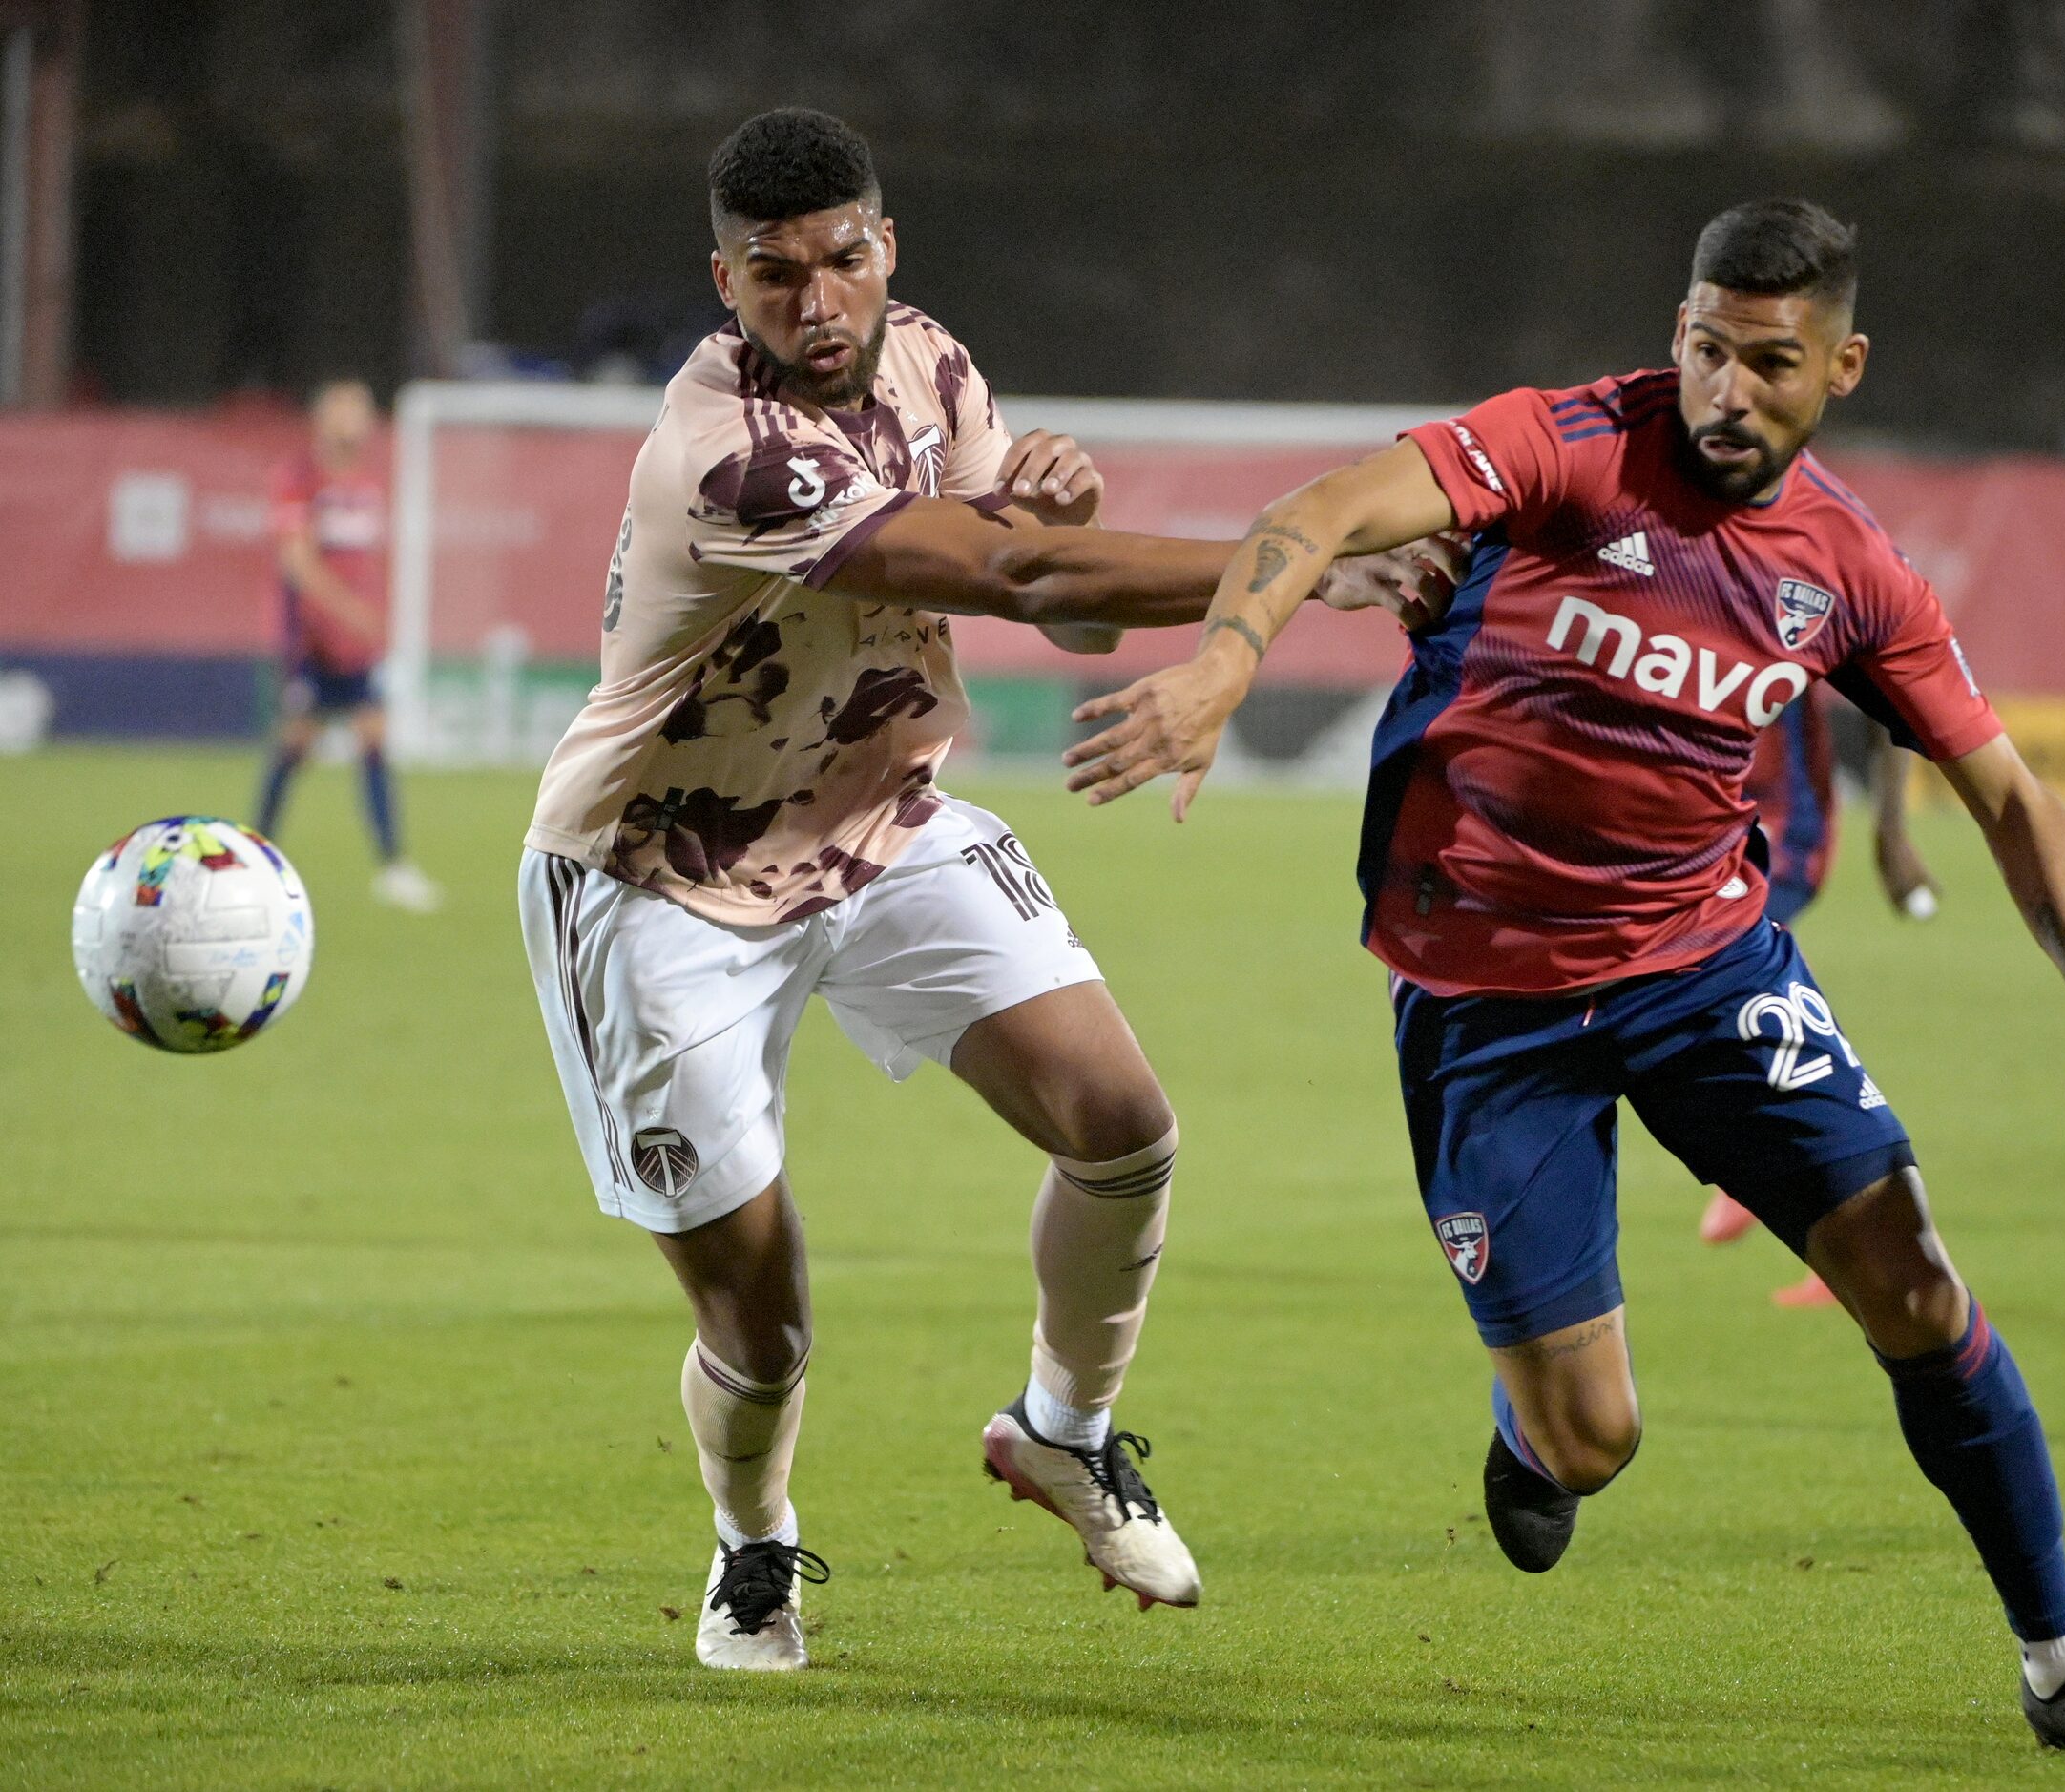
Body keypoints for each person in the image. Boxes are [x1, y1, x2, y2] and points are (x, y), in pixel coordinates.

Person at [1064, 200, 2065, 1765]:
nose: (1725, 389)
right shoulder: (1562, 447)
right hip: (1487, 1001)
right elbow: (1333, 504)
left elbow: (2008, 789)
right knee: (1592, 1441)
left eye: (1768, 361)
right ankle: (1532, 1431)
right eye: (1704, 347)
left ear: (1840, 366)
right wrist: (1225, 656)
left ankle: (2064, 1662)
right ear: (1674, 331)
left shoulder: (1847, 568)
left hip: (1706, 966)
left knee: (1914, 1275)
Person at [516, 108, 1446, 1673]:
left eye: (842, 259)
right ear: (724, 281)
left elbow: (1053, 602)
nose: (814, 301)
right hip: (664, 878)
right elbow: (1022, 582)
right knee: (762, 1313)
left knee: (1125, 1126)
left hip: (877, 814)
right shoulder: (722, 452)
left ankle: (1063, 1428)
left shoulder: (932, 366)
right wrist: (1299, 562)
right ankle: (753, 1549)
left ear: (888, 247)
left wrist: (1054, 515)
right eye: (772, 275)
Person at [1698, 703, 1938, 1307]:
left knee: (1726, 974)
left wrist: (1890, 830)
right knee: (1734, 995)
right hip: (1702, 812)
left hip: (1783, 818)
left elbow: (1888, 698)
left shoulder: (1804, 608)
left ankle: (1769, 1162)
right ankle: (1834, 1212)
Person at [255, 379, 441, 911]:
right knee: (294, 747)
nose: (357, 420)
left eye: (362, 411)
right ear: (322, 418)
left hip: (357, 648)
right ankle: (254, 857)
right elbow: (296, 561)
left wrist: (371, 617)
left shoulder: (365, 483)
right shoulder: (298, 478)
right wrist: (352, 612)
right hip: (309, 643)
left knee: (374, 739)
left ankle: (394, 866)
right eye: (346, 410)